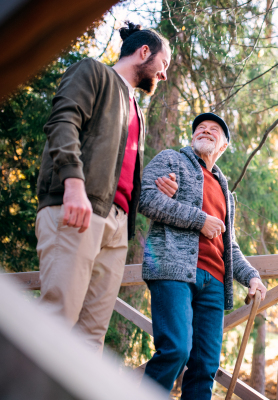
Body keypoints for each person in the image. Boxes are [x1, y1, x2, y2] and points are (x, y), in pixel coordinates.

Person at [35, 22, 175, 353]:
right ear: (144, 52)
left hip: (116, 229)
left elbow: (112, 164)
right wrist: (73, 185)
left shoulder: (137, 109)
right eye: (163, 65)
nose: (164, 75)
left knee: (91, 338)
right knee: (57, 321)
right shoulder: (93, 72)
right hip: (77, 209)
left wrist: (149, 185)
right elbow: (62, 121)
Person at [139, 112, 267, 399]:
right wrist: (200, 220)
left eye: (214, 130)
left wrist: (252, 277)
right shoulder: (172, 160)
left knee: (204, 366)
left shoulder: (225, 191)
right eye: (201, 128)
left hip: (214, 284)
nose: (206, 131)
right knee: (175, 349)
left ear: (222, 146)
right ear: (193, 136)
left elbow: (229, 244)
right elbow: (146, 198)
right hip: (173, 271)